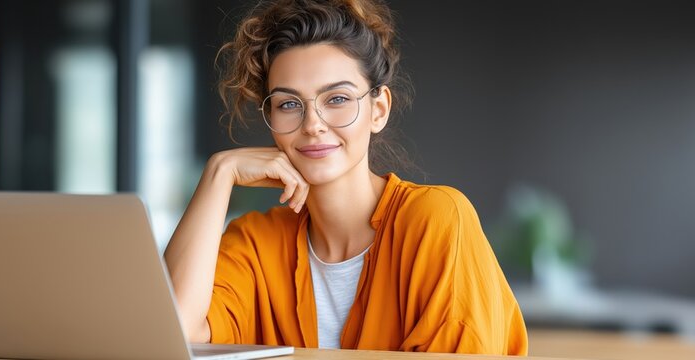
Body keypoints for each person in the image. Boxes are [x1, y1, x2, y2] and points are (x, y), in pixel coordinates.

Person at [164, 0, 528, 355]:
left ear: (378, 110)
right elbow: (171, 336)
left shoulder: (437, 219)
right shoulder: (255, 243)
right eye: (289, 104)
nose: (312, 125)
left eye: (337, 99)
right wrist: (218, 174)